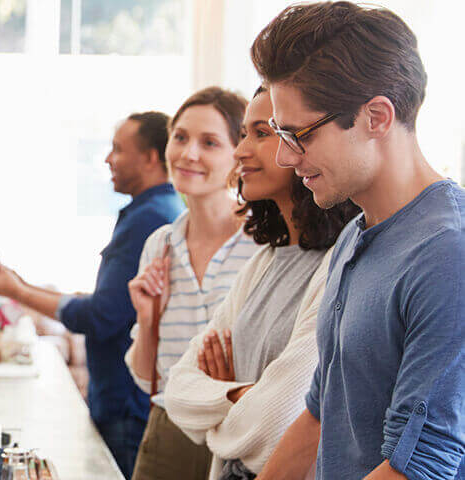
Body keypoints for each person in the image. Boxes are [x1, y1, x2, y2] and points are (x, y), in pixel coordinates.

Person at [249, 3, 465, 479]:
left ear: (377, 117)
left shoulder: (448, 254)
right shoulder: (353, 235)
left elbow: (422, 466)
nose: (286, 157)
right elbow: (320, 411)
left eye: (298, 134)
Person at [159, 86, 359, 480]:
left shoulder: (341, 263)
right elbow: (178, 390)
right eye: (245, 133)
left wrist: (218, 405)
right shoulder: (264, 262)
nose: (240, 151)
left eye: (262, 133)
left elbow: (279, 421)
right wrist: (238, 394)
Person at [0, 112, 184, 478]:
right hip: (121, 399)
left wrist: (17, 291)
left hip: (125, 404)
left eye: (118, 150)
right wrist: (19, 285)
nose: (107, 160)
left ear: (152, 157)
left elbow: (101, 316)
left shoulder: (150, 219)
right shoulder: (153, 212)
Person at [123, 87, 259, 480]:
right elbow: (148, 378)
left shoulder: (265, 242)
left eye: (210, 142)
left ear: (240, 154)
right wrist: (148, 319)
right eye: (180, 137)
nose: (188, 154)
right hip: (170, 431)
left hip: (241, 430)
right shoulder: (160, 244)